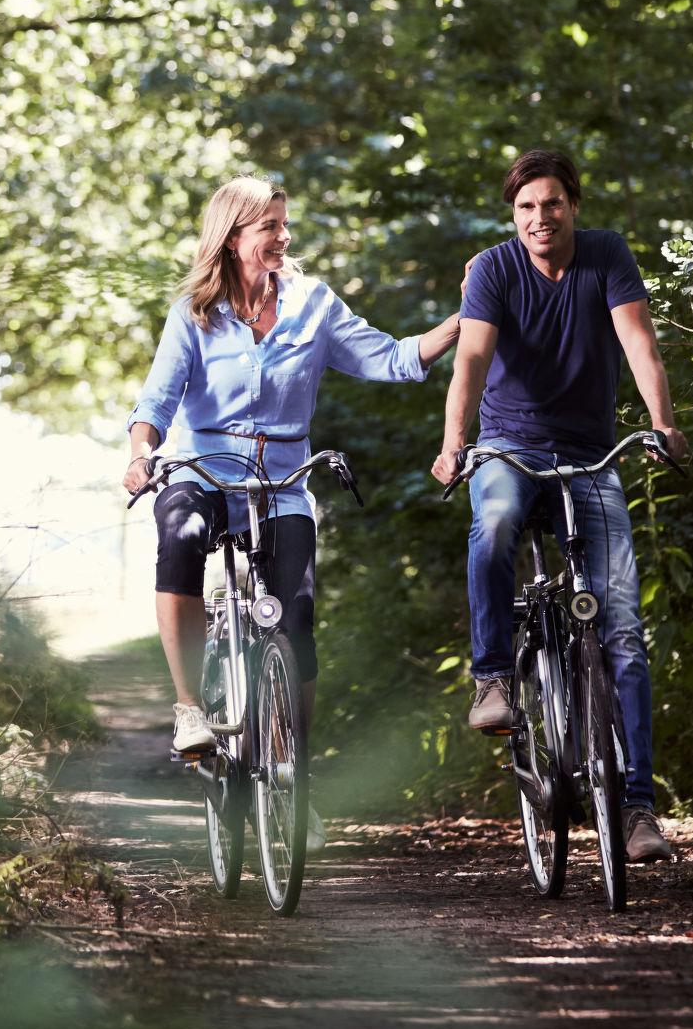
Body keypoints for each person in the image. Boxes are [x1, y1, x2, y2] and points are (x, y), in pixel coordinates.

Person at [124, 176, 460, 757]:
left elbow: (394, 358)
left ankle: (292, 768)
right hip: (199, 469)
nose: (284, 235)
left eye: (284, 223)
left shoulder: (314, 305)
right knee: (180, 537)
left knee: (297, 621)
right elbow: (155, 402)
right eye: (270, 226)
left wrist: (466, 317)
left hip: (281, 482)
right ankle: (189, 708)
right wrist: (139, 455)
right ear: (232, 238)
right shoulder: (194, 314)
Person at [430, 149, 689, 864]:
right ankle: (493, 679)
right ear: (512, 216)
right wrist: (457, 444)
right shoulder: (493, 270)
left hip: (589, 453)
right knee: (494, 523)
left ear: (573, 204)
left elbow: (638, 341)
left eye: (551, 205)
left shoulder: (606, 256)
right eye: (525, 209)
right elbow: (472, 362)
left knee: (624, 630)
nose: (539, 219)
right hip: (509, 446)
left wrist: (662, 425)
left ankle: (637, 810)